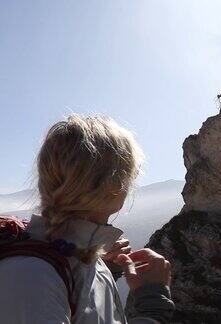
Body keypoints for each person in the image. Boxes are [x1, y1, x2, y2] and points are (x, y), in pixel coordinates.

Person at [0, 115, 175, 323]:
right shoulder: (30, 276)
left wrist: (101, 272)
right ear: (113, 185)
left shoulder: (72, 261)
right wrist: (154, 307)